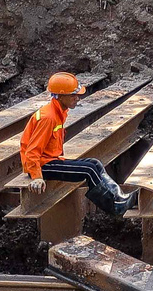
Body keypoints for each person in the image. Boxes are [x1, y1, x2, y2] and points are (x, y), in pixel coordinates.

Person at [18, 73, 139, 216]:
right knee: (89, 170)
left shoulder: (57, 112)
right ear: (60, 96)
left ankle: (119, 198)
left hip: (50, 160)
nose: (77, 98)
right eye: (73, 95)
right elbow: (32, 151)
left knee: (95, 163)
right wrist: (37, 177)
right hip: (42, 165)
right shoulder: (48, 118)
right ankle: (115, 207)